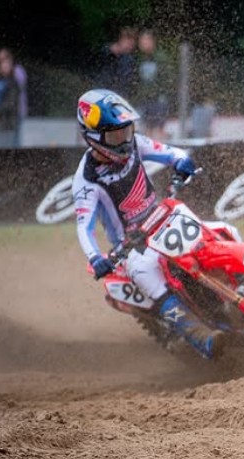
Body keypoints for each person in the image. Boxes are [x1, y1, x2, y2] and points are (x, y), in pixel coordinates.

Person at [73, 89, 235, 359]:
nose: (124, 140)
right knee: (145, 271)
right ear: (93, 137)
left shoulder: (136, 143)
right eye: (115, 135)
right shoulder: (86, 180)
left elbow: (171, 153)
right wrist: (95, 257)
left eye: (126, 131)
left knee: (224, 230)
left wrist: (182, 161)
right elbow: (84, 227)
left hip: (163, 217)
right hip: (130, 246)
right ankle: (200, 337)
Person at [135, 30, 173, 140]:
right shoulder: (140, 59)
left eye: (146, 40)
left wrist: (162, 93)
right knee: (147, 128)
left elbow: (167, 78)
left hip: (158, 98)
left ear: (152, 41)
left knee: (159, 128)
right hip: (145, 98)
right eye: (141, 41)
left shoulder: (160, 58)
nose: (143, 44)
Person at [0, 48, 27, 146]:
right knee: (4, 142)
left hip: (16, 111)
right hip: (4, 114)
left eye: (1, 58)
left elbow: (17, 91)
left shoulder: (17, 72)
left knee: (14, 140)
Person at [97, 27, 138, 98]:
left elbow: (127, 84)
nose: (131, 44)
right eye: (128, 40)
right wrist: (110, 50)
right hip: (101, 92)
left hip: (118, 95)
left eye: (133, 41)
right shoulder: (107, 52)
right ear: (120, 40)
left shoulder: (130, 60)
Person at [0, 57, 20, 148]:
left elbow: (11, 102)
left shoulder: (13, 83)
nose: (4, 68)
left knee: (8, 147)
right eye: (3, 66)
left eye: (7, 66)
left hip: (8, 120)